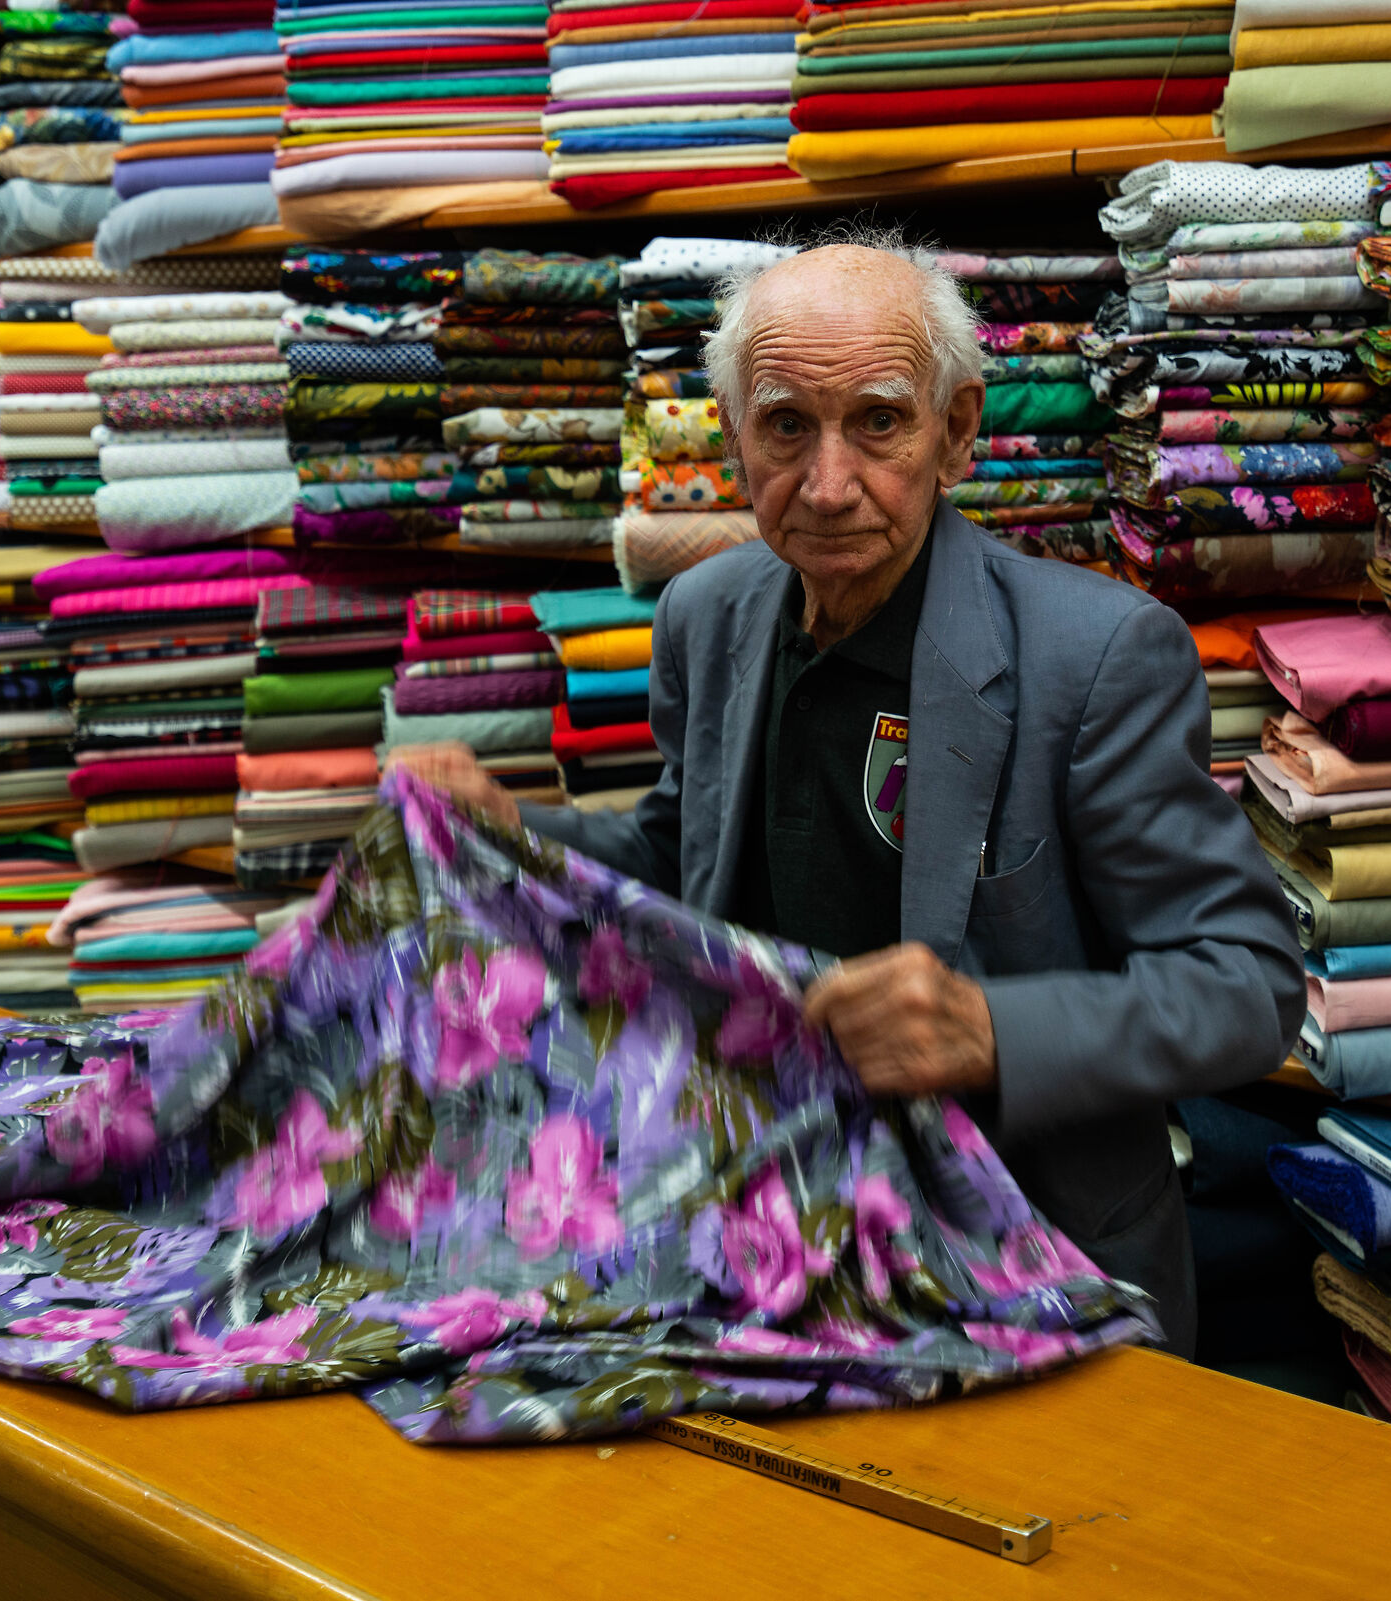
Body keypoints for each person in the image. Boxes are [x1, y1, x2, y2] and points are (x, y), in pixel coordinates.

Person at [394, 236, 1305, 1352]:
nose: (828, 485)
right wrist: (506, 835)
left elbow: (1249, 985)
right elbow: (683, 858)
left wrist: (991, 1028)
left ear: (956, 430)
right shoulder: (707, 616)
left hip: (1034, 1256)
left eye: (878, 421)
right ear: (731, 439)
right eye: (786, 426)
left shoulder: (1098, 656)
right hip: (768, 1232)